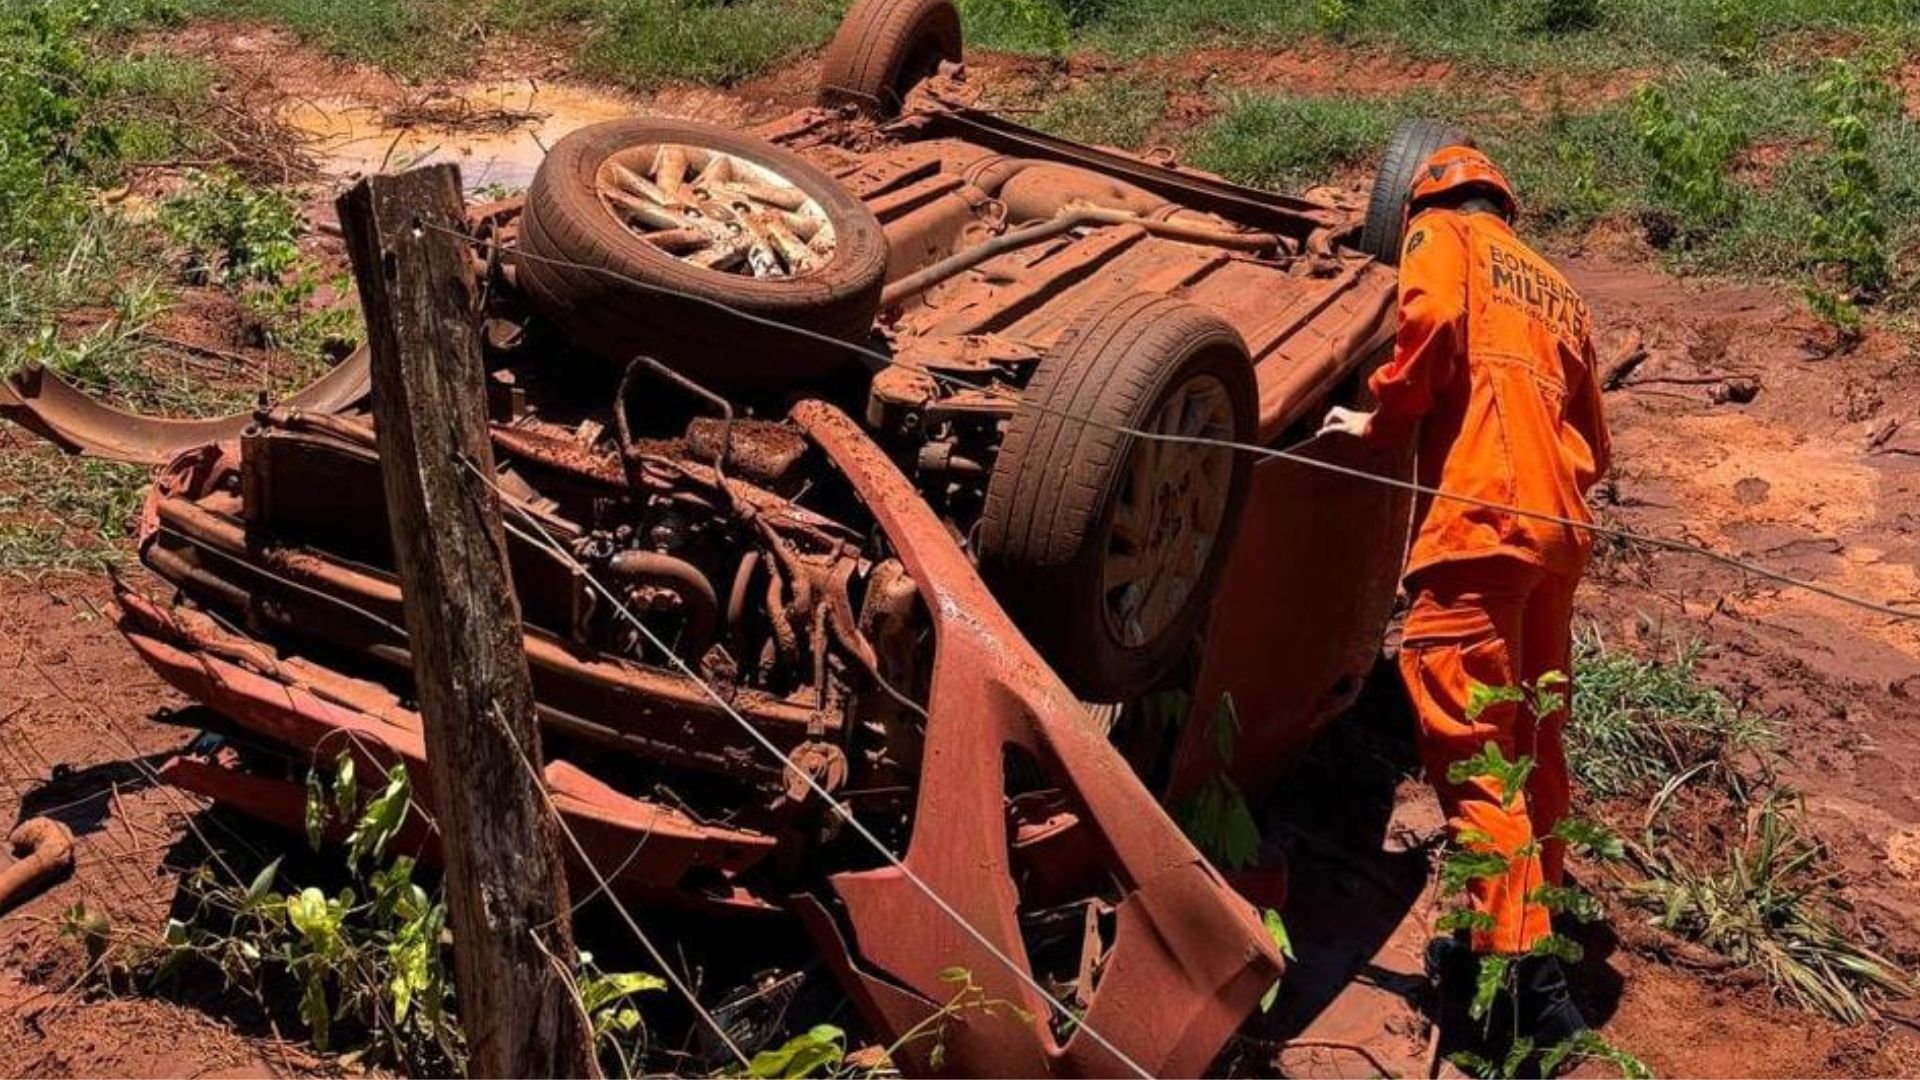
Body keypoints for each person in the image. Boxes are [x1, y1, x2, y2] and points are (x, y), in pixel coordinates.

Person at [1320, 144, 1611, 1054]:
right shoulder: (1556, 284)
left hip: (1477, 523)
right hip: (1555, 534)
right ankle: (1540, 920)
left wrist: (1385, 415)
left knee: (1471, 741)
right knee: (1533, 738)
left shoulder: (1442, 235)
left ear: (1425, 204)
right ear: (1507, 202)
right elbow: (1592, 438)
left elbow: (1435, 315)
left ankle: (1526, 989)